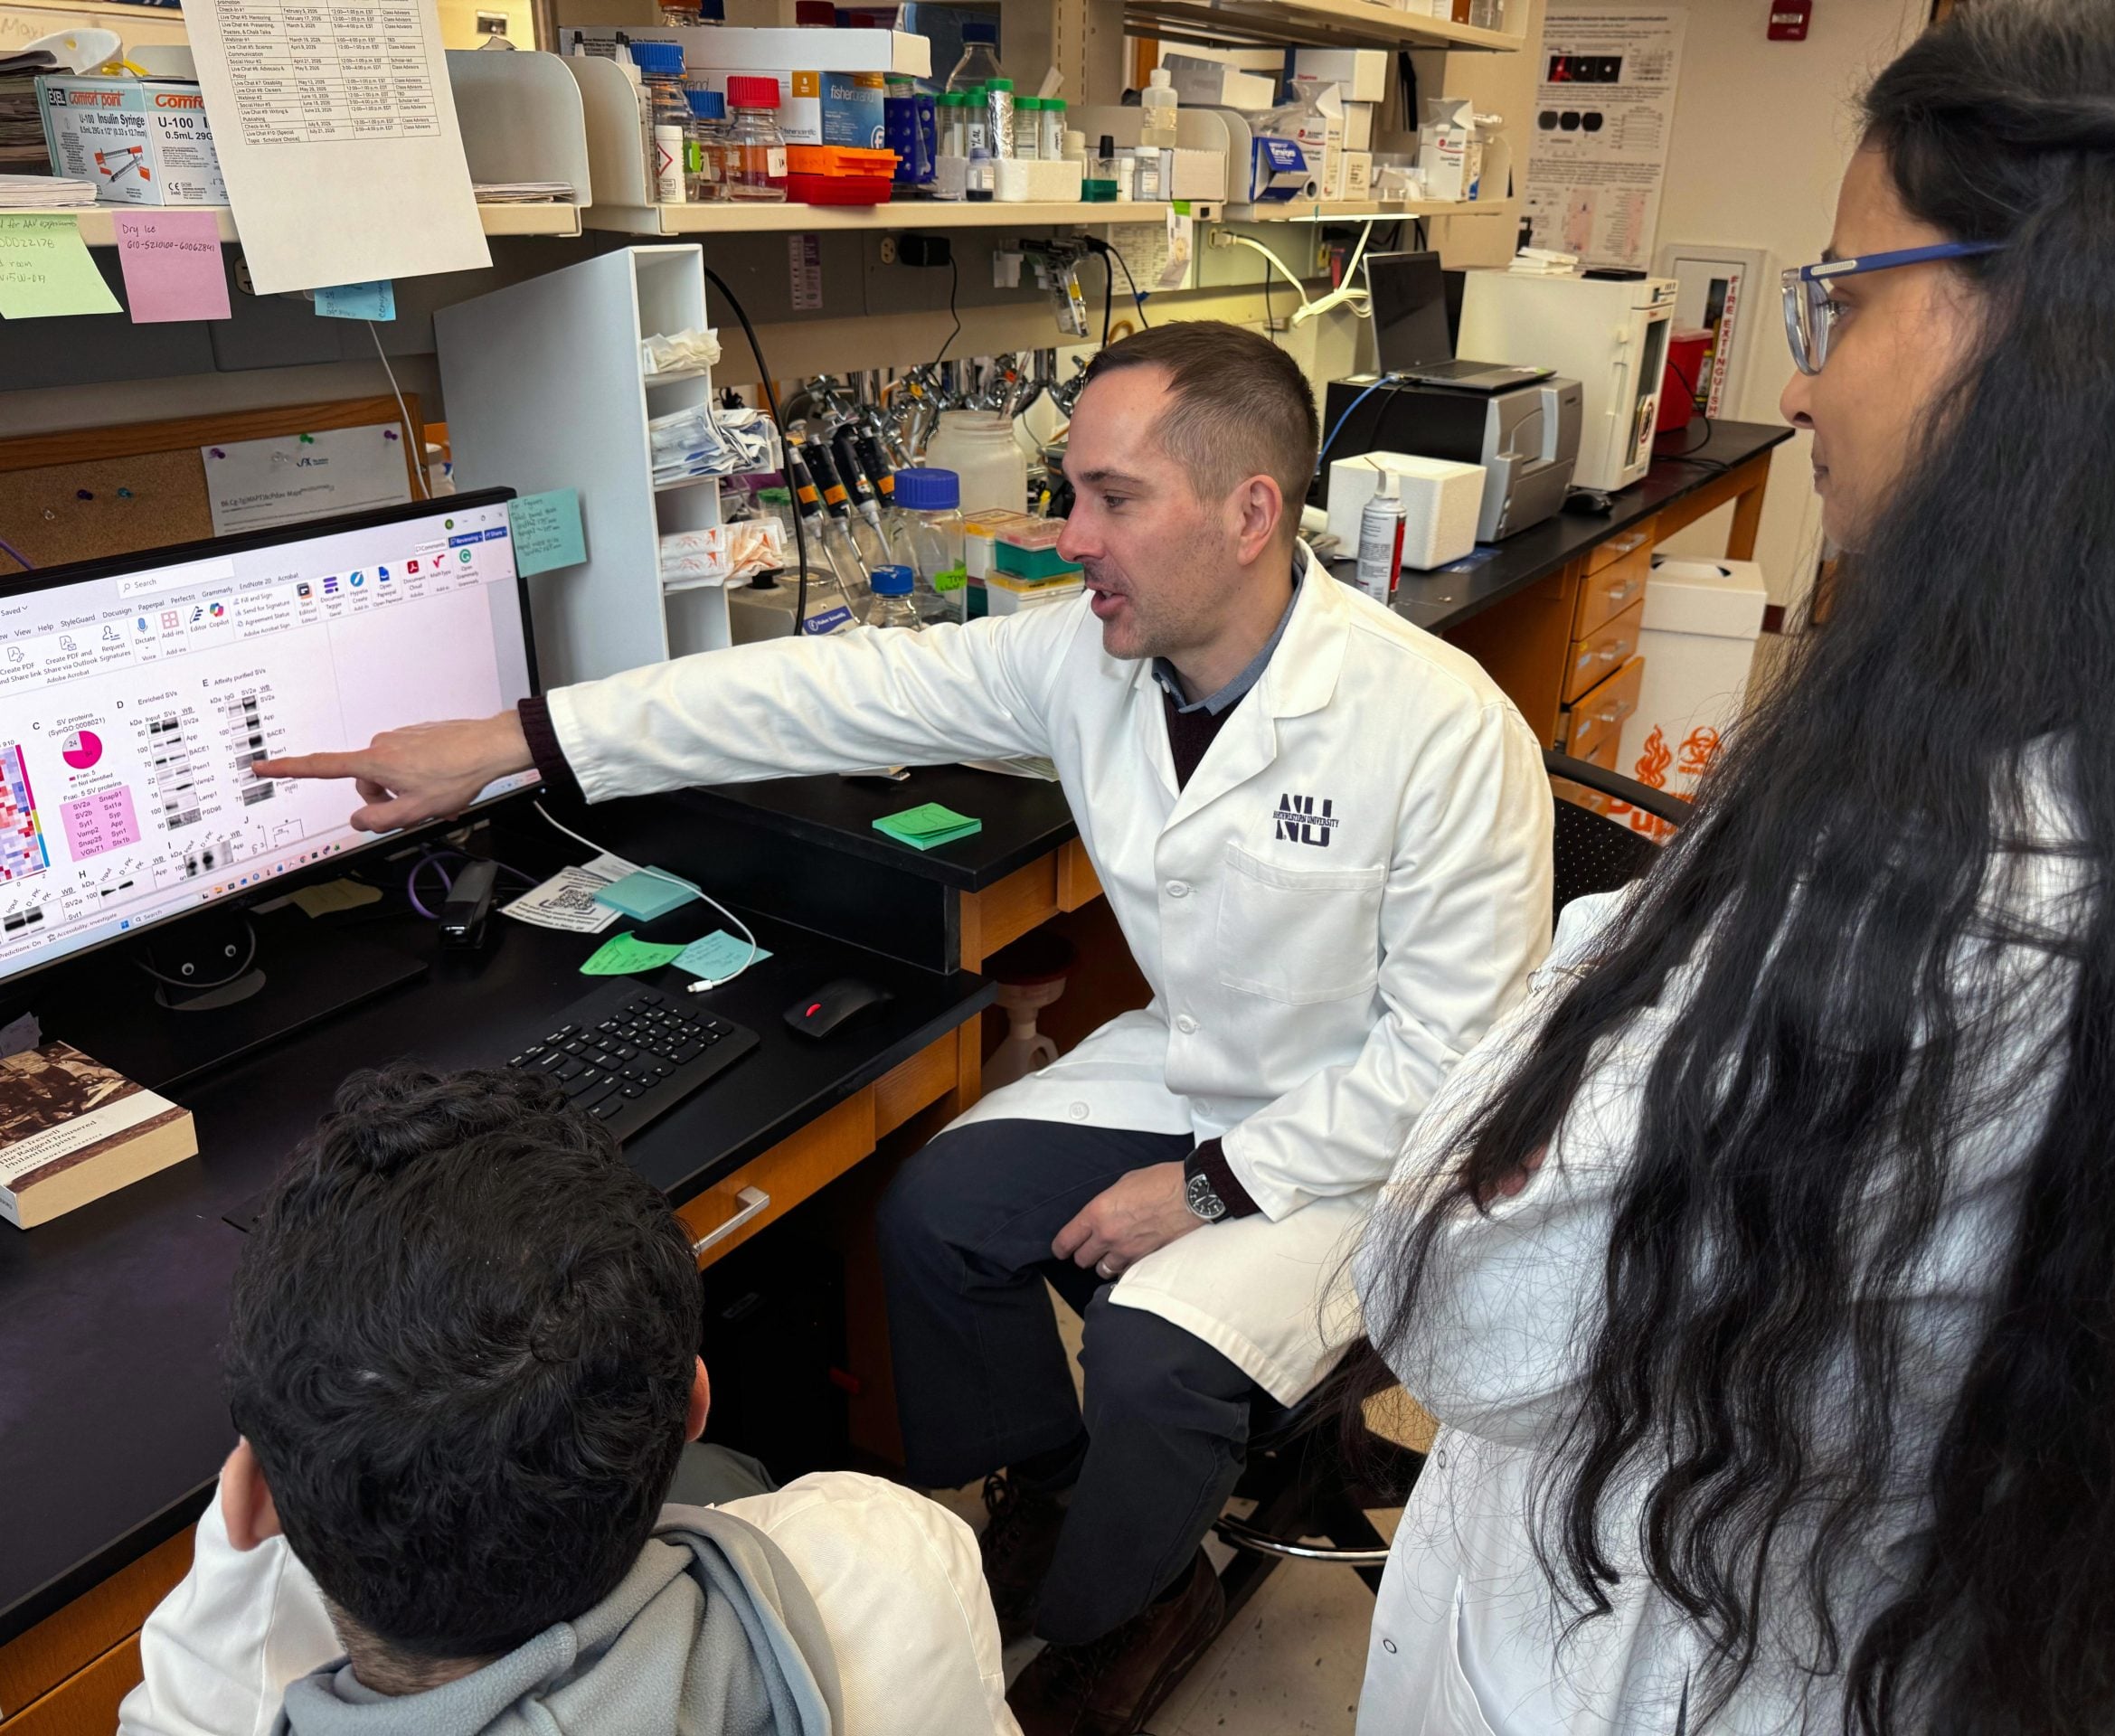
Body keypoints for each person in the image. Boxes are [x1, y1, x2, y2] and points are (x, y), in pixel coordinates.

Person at [252, 321, 1553, 1734]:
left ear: (1249, 515)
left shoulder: (1437, 726)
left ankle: (1128, 1604)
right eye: (1071, 492)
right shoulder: (1086, 659)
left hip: (1375, 1141)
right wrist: (509, 743)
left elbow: (1456, 1060)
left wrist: (1203, 1190)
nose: (1071, 538)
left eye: (1113, 499)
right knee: (936, 1212)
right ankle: (1065, 1493)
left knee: (1151, 1352)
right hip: (1201, 1065)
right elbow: (822, 692)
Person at [1352, 1, 2115, 1731]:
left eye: (1847, 298)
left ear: (2060, 342)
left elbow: (1449, 1296)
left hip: (1641, 1660)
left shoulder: (1932, 900)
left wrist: (1624, 935)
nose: (1796, 379)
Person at [119, 1065, 1016, 1736]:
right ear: (693, 1403)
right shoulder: (894, 1558)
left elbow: (207, 1668)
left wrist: (301, 1447)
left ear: (253, 1505)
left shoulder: (200, 1705)